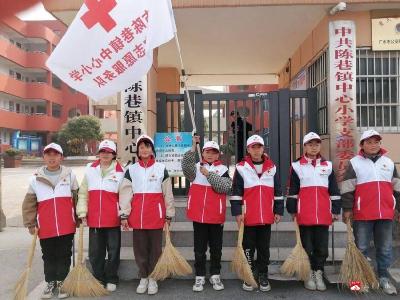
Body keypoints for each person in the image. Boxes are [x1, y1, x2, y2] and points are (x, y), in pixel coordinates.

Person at [341, 129, 400, 295]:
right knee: (360, 248)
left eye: (376, 142)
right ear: (362, 145)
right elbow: (347, 189)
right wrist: (347, 209)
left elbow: (397, 187)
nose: (373, 145)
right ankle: (357, 282)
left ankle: (383, 279)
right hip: (362, 214)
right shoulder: (354, 163)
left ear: (380, 144)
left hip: (386, 213)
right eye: (369, 142)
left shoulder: (388, 163)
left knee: (385, 249)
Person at [119, 134, 175, 295]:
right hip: (137, 217)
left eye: (147, 147)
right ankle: (143, 276)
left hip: (156, 217)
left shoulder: (160, 168)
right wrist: (124, 214)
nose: (144, 150)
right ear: (138, 151)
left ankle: (153, 278)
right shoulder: (131, 170)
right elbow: (125, 193)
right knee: (140, 249)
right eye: (141, 147)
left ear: (152, 150)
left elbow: (167, 193)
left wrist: (169, 214)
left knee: (156, 249)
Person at [22, 143, 79, 299]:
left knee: (64, 254)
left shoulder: (70, 175)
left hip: (66, 224)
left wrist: (79, 217)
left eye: (55, 154)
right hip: (45, 226)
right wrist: (31, 223)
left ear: (61, 157)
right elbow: (29, 204)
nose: (52, 157)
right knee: (48, 255)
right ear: (44, 157)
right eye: (48, 154)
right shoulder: (35, 179)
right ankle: (50, 282)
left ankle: (61, 282)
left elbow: (77, 198)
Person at [286, 132, 341, 291]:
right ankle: (308, 272)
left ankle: (319, 271)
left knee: (322, 247)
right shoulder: (296, 166)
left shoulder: (328, 165)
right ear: (304, 146)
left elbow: (334, 190)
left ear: (320, 146)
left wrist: (335, 210)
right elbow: (293, 190)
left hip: (324, 213)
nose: (313, 147)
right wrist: (292, 209)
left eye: (316, 144)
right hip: (305, 213)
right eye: (310, 144)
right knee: (306, 246)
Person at [230, 134, 283, 292]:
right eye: (253, 147)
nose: (256, 150)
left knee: (264, 248)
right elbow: (236, 192)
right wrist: (237, 212)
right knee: (248, 247)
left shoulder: (272, 168)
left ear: (263, 148)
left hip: (266, 215)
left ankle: (263, 274)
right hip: (248, 216)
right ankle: (249, 274)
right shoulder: (241, 167)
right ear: (248, 149)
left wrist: (278, 210)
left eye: (259, 146)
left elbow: (278, 191)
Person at [181, 136, 232, 292]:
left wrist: (209, 174)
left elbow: (224, 187)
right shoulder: (195, 168)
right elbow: (185, 166)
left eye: (214, 152)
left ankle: (215, 274)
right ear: (202, 153)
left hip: (216, 216)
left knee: (216, 248)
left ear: (218, 155)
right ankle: (200, 275)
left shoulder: (223, 169)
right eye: (207, 151)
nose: (210, 155)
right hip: (199, 215)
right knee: (199, 248)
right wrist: (192, 146)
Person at [76, 140, 124, 292]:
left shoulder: (121, 171)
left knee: (113, 251)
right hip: (95, 218)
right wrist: (82, 211)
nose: (105, 154)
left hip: (113, 219)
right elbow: (83, 193)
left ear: (113, 154)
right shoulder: (90, 169)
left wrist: (123, 215)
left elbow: (124, 196)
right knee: (95, 252)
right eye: (103, 151)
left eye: (108, 152)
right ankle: (98, 278)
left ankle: (111, 278)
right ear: (99, 153)